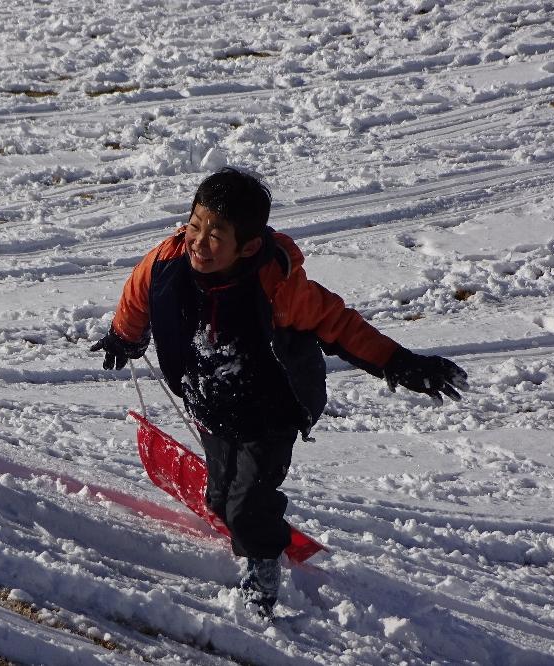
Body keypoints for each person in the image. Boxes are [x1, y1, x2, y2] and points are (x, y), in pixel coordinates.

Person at [91, 167, 467, 617]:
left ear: (247, 246)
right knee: (221, 496)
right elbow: (138, 293)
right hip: (207, 399)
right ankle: (235, 511)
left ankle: (262, 567)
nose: (198, 241)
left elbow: (339, 324)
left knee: (249, 504)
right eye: (195, 225)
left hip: (268, 409)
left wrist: (398, 361)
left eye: (216, 235)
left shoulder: (279, 287)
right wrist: (124, 335)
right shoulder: (167, 262)